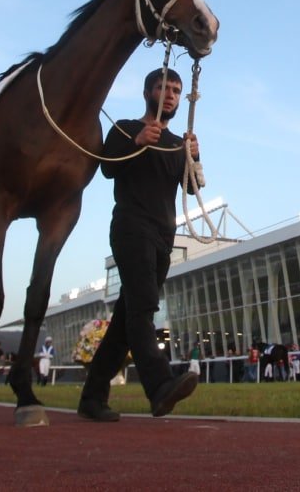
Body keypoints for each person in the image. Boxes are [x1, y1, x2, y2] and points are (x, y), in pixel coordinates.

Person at [78, 68, 201, 422]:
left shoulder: (179, 142)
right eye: (163, 87)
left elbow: (191, 188)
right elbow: (106, 168)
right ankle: (159, 385)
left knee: (124, 324)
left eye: (176, 90)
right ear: (147, 91)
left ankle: (92, 397)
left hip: (164, 236)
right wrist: (137, 143)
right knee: (145, 306)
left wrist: (194, 155)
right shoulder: (126, 128)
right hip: (132, 228)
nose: (171, 95)